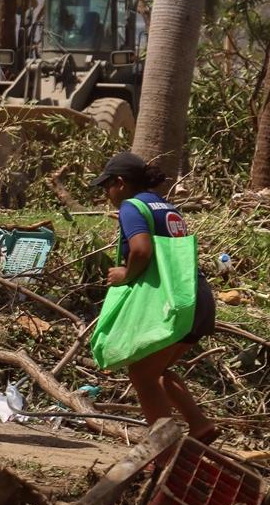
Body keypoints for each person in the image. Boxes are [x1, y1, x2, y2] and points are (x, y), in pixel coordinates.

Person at [91, 152, 220, 445]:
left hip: (173, 302)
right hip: (197, 297)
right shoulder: (166, 206)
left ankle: (164, 448)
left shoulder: (131, 207)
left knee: (142, 374)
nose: (106, 193)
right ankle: (200, 426)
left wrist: (125, 274)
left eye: (106, 186)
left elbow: (141, 250)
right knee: (157, 369)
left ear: (120, 183)